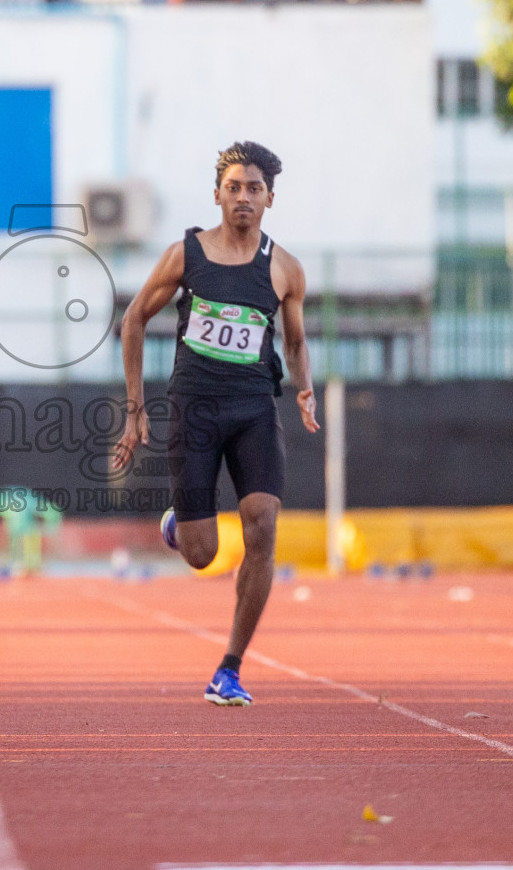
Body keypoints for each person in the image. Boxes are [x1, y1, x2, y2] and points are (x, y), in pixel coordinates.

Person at [114, 141, 319, 706]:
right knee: (203, 554)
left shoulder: (285, 268)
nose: (243, 198)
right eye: (234, 188)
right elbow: (133, 321)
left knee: (262, 522)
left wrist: (304, 389)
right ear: (217, 195)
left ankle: (230, 667)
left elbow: (296, 341)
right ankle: (182, 521)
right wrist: (135, 410)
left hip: (255, 406)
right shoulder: (187, 254)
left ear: (269, 198)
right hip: (195, 408)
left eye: (254, 189)